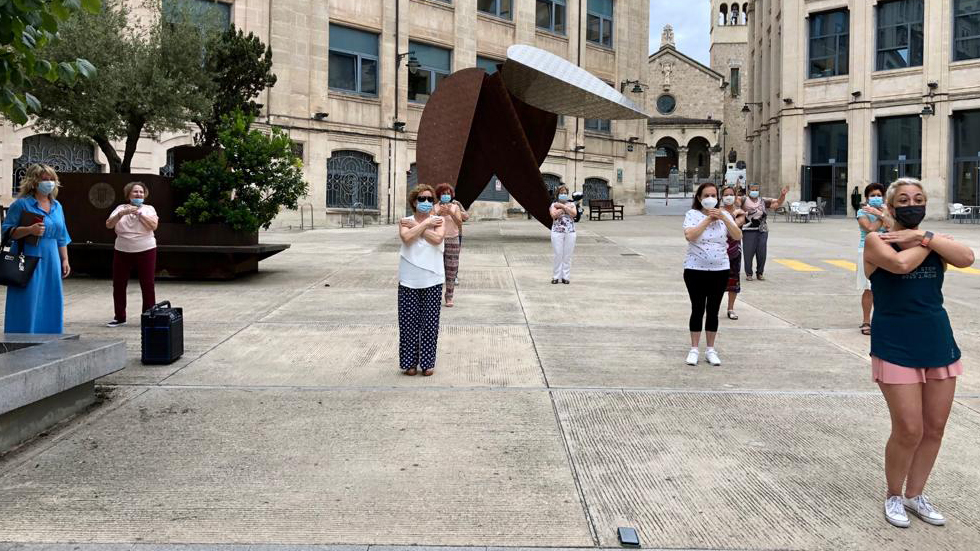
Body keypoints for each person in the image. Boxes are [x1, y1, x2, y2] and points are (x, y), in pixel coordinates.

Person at [863, 178, 975, 528]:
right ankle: (894, 494)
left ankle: (916, 494)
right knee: (909, 428)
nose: (913, 204)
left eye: (919, 199)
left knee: (935, 428)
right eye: (904, 200)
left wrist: (923, 237)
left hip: (937, 340)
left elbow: (968, 258)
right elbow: (900, 266)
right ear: (892, 207)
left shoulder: (928, 239)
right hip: (895, 342)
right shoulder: (875, 240)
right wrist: (928, 241)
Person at [2, 164, 71, 334]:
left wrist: (65, 259)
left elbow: (61, 236)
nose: (49, 183)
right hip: (27, 256)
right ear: (34, 181)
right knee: (27, 298)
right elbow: (6, 232)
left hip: (52, 257)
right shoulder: (21, 204)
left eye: (51, 179)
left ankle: (51, 335)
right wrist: (29, 230)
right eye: (44, 179)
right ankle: (22, 334)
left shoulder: (57, 206)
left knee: (51, 297)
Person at [682, 183, 742, 366]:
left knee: (713, 310)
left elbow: (738, 235)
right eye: (706, 195)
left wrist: (723, 218)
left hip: (719, 269)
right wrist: (707, 220)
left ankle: (710, 349)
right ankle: (694, 349)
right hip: (695, 269)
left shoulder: (724, 215)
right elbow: (690, 236)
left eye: (714, 195)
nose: (710, 198)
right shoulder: (692, 215)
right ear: (699, 198)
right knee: (698, 308)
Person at [398, 184, 446, 376]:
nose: (426, 202)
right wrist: (425, 226)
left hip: (433, 278)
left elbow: (437, 239)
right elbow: (407, 238)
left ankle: (427, 363)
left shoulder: (439, 220)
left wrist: (421, 226)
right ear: (413, 202)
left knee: (430, 323)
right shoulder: (404, 221)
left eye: (429, 199)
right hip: (409, 278)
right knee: (408, 323)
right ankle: (409, 363)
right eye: (421, 199)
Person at [105, 182, 159, 327]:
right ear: (128, 194)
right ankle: (120, 316)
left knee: (147, 284)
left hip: (146, 249)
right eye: (135, 192)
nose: (138, 195)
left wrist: (140, 215)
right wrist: (122, 214)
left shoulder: (149, 209)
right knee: (119, 284)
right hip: (122, 250)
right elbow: (109, 224)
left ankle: (148, 316)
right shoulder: (120, 208)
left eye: (141, 192)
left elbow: (153, 226)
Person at [856, 183, 889, 335]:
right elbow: (869, 228)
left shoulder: (888, 211)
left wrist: (882, 214)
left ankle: (882, 320)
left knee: (886, 287)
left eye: (878, 195)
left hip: (887, 250)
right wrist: (881, 216)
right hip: (866, 251)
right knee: (868, 288)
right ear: (867, 198)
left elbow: (894, 226)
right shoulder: (861, 212)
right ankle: (866, 321)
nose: (876, 198)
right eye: (872, 195)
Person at [741, 182, 788, 281]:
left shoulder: (763, 200)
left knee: (762, 253)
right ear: (749, 190)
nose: (755, 191)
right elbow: (733, 202)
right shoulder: (744, 199)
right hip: (748, 229)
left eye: (756, 189)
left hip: (762, 230)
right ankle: (749, 273)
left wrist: (782, 195)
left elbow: (777, 203)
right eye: (752, 190)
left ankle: (760, 273)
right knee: (748, 253)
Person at [433, 184, 465, 307]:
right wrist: (439, 213)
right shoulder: (434, 207)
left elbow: (459, 223)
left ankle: (449, 296)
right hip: (438, 241)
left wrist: (451, 213)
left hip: (453, 240)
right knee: (437, 269)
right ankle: (436, 295)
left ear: (451, 195)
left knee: (451, 269)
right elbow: (430, 223)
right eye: (443, 193)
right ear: (439, 195)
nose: (446, 196)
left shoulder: (455, 207)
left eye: (448, 193)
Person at [721, 185, 746, 320]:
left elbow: (735, 225)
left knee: (733, 281)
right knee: (716, 281)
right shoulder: (717, 211)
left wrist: (730, 215)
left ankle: (730, 308)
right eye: (726, 194)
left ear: (735, 197)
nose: (728, 197)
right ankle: (713, 306)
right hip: (718, 251)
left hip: (734, 251)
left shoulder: (740, 212)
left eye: (731, 194)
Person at [550, 185, 577, 284]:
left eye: (565, 193)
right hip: (557, 232)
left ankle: (566, 277)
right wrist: (564, 208)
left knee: (567, 255)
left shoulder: (572, 204)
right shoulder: (553, 205)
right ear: (558, 194)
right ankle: (556, 276)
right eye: (561, 193)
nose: (563, 195)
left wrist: (563, 207)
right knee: (558, 254)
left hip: (570, 232)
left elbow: (574, 214)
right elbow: (554, 215)